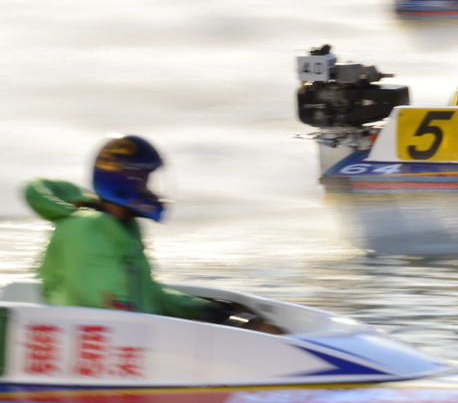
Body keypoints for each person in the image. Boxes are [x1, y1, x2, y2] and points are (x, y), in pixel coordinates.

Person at [24, 135, 279, 331]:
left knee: (258, 326)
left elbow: (150, 296)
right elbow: (109, 311)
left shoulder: (122, 228)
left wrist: (216, 312)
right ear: (125, 183)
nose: (151, 191)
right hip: (100, 349)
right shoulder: (87, 229)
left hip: (128, 343)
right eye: (145, 181)